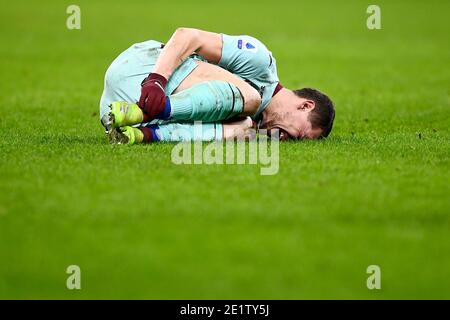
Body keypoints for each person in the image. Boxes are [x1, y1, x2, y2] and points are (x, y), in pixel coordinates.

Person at [99, 28, 335, 144]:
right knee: (250, 97)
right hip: (142, 69)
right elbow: (187, 36)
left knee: (242, 129)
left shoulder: (252, 127)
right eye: (300, 135)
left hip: (115, 109)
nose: (290, 140)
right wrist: (156, 80)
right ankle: (151, 110)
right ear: (305, 106)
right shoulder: (261, 63)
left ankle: (143, 134)